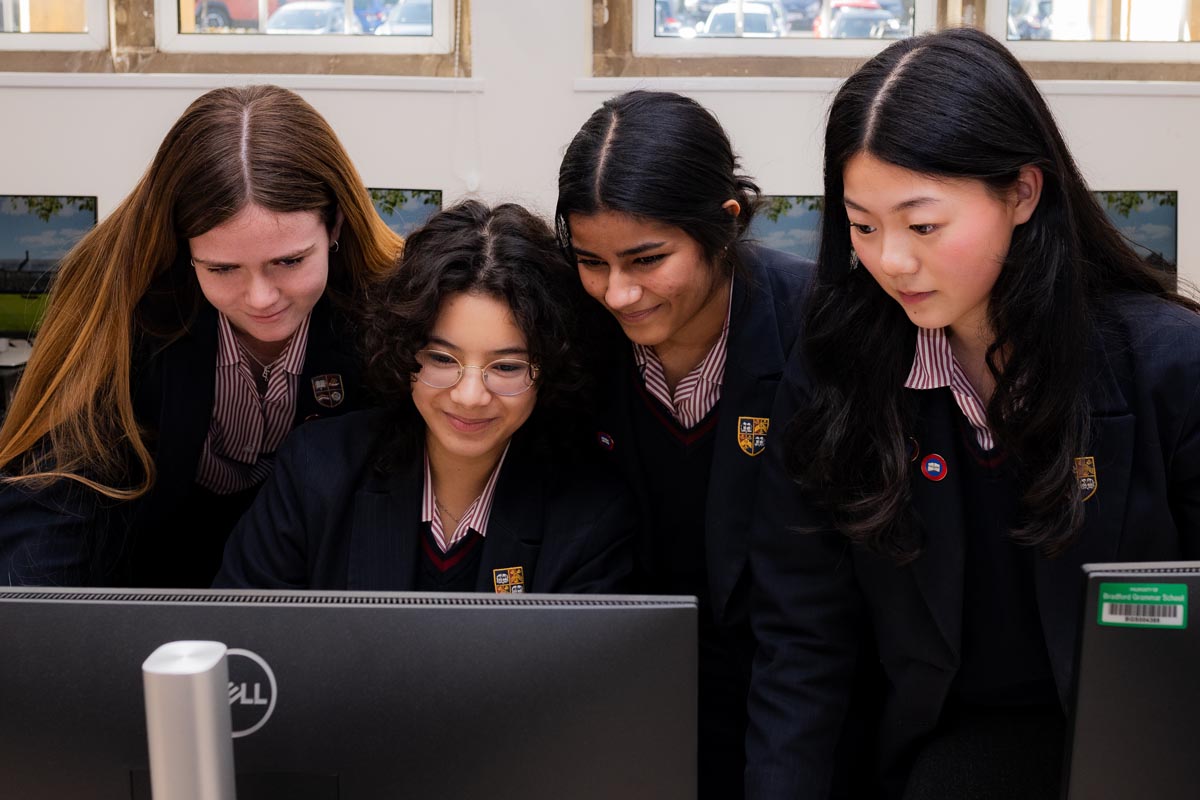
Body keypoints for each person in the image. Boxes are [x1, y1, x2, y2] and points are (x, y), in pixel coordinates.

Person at [746, 27, 1200, 800]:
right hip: (948, 750)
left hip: (1153, 745)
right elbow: (803, 640)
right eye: (862, 225)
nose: (890, 260)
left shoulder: (1169, 367)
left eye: (923, 226)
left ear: (1023, 193)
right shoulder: (836, 373)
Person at [0, 85, 403, 588]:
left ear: (336, 225)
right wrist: (54, 639)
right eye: (222, 268)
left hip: (316, 596)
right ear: (180, 246)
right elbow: (51, 489)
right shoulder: (114, 296)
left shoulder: (392, 308)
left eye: (289, 261)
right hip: (143, 586)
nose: (260, 298)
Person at [555, 90, 813, 799]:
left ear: (724, 224)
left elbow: (815, 622)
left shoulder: (815, 328)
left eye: (646, 259)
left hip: (791, 694)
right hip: (626, 696)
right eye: (591, 261)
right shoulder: (573, 334)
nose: (618, 293)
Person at [214, 200, 636, 594]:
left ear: (552, 369)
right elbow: (240, 637)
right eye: (441, 358)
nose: (470, 396)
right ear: (404, 351)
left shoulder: (591, 512)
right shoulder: (316, 470)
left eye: (507, 367)